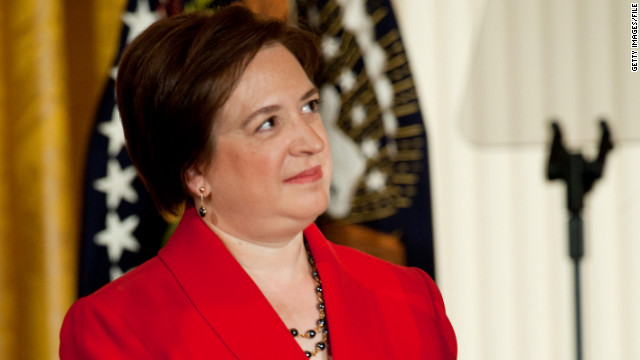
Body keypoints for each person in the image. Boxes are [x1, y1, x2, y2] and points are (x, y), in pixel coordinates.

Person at [59, 5, 457, 359]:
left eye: (309, 106)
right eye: (267, 123)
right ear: (195, 169)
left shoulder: (410, 297)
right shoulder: (116, 326)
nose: (312, 141)